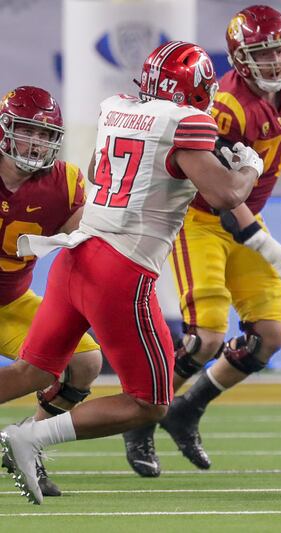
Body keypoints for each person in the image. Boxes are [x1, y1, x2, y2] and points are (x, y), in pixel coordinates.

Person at [121, 4, 281, 477]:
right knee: (206, 338)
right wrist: (269, 248)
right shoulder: (224, 106)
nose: (276, 64)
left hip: (249, 218)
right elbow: (222, 195)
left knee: (269, 336)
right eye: (263, 56)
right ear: (240, 59)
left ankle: (188, 409)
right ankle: (142, 415)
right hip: (199, 218)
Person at [0, 40, 262, 505]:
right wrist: (248, 169)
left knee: (40, 369)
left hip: (75, 258)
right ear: (197, 90)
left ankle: (29, 437)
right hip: (121, 270)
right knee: (149, 402)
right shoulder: (186, 121)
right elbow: (224, 195)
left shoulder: (116, 108)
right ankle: (28, 438)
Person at [0, 86, 103, 497]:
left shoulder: (63, 183)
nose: (37, 143)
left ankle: (28, 443)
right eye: (28, 131)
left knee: (86, 362)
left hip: (11, 301)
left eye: (45, 135)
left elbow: (89, 240)